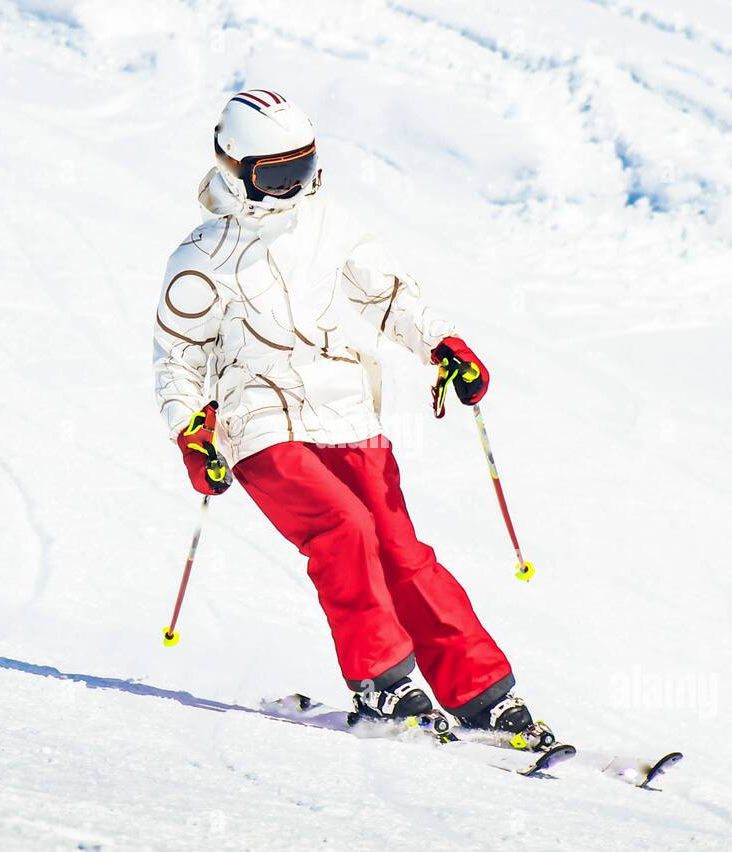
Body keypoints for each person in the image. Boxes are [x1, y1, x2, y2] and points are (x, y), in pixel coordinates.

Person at [154, 89, 550, 746]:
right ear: (234, 167)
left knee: (400, 550)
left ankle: (481, 691)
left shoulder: (328, 223)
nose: (292, 189)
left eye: (303, 169)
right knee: (343, 529)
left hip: (341, 408)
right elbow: (178, 356)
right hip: (257, 423)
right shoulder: (200, 257)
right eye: (275, 176)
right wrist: (191, 432)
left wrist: (441, 344)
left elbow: (389, 294)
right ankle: (383, 683)